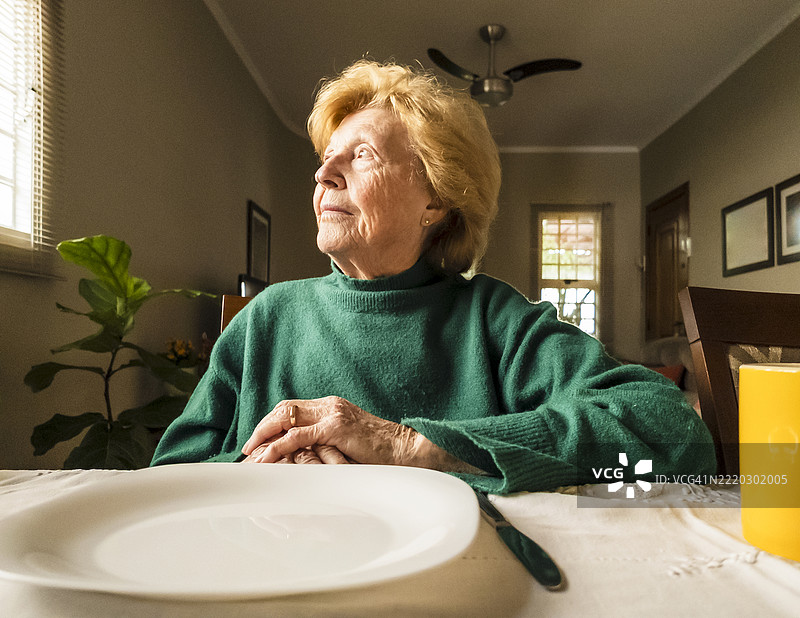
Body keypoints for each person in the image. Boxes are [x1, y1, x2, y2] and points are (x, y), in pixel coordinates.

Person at [151, 60, 716, 493]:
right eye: (326, 157)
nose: (323, 173)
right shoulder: (267, 319)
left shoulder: (494, 321)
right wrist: (269, 467)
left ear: (437, 203)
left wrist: (411, 446)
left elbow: (677, 439)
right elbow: (164, 481)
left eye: (363, 155)